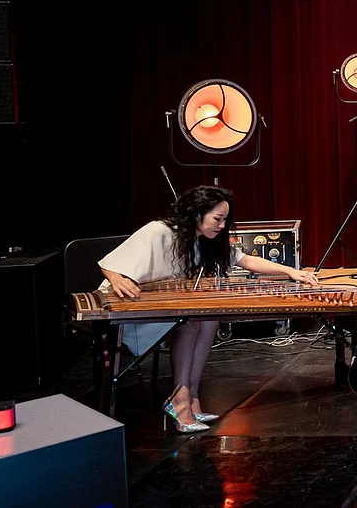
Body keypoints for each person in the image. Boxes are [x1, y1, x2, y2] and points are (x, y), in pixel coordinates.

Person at [98, 185, 320, 433]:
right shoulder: (158, 231)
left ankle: (192, 396)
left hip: (164, 308)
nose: (222, 225)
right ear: (196, 213)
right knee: (191, 321)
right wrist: (117, 279)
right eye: (217, 219)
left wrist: (291, 271)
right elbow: (109, 264)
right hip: (128, 311)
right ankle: (179, 400)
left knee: (209, 318)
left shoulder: (202, 241)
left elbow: (246, 260)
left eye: (225, 220)